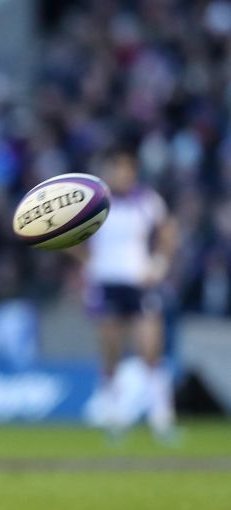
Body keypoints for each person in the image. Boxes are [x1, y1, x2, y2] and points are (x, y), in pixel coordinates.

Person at [81, 148, 179, 440]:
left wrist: (159, 265)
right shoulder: (94, 203)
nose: (123, 175)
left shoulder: (146, 201)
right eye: (118, 169)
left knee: (150, 350)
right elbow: (70, 239)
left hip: (138, 281)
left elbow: (168, 232)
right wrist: (88, 263)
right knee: (111, 354)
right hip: (106, 282)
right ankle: (114, 417)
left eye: (128, 169)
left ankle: (163, 419)